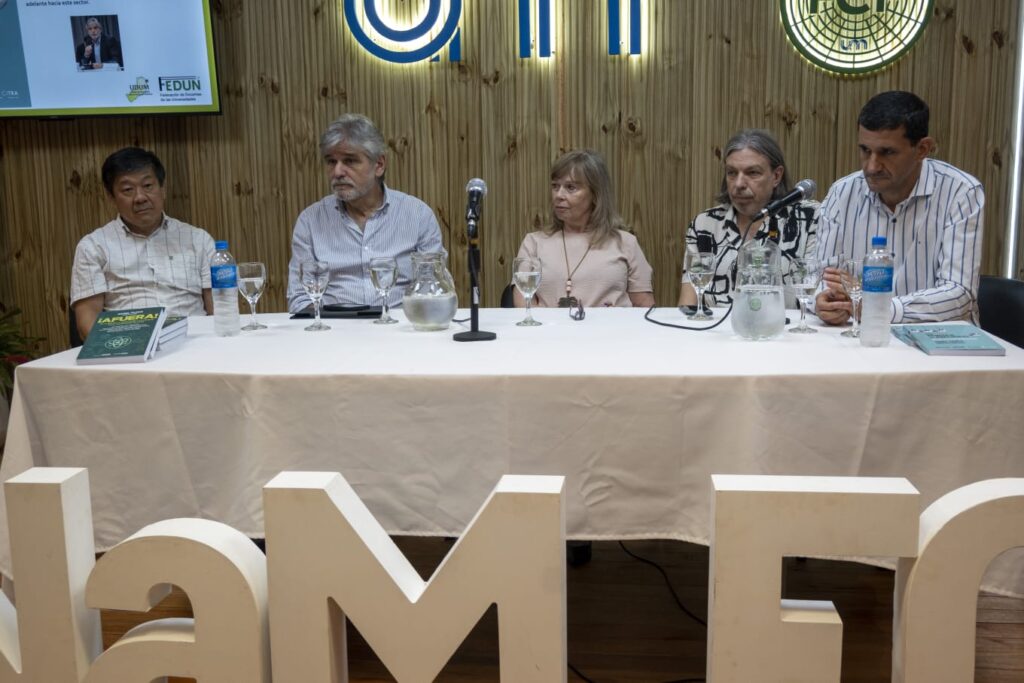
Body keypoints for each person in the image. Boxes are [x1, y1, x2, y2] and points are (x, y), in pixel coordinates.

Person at [815, 91, 984, 325]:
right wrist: (825, 302)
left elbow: (959, 294)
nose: (872, 166)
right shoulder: (842, 193)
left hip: (939, 347)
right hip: (859, 341)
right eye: (865, 150)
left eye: (887, 152)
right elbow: (822, 278)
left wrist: (880, 309)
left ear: (923, 149)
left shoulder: (960, 192)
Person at [287, 113, 445, 313]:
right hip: (334, 333)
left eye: (350, 161)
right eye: (331, 162)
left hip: (400, 331)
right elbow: (299, 299)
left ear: (378, 165)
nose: (337, 172)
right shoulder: (310, 221)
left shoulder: (418, 215)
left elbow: (435, 289)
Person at [70, 147, 215, 340]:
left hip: (196, 347)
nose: (140, 197)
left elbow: (220, 309)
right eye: (128, 190)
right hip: (130, 351)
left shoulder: (198, 240)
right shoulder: (93, 247)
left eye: (148, 186)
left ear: (162, 189)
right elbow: (87, 322)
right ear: (111, 197)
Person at [678, 129, 817, 308]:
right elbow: (688, 304)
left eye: (752, 173)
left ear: (776, 176)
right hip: (717, 335)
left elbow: (817, 298)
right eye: (732, 173)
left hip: (786, 333)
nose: (739, 184)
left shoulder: (808, 220)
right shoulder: (704, 225)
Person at [514, 150, 654, 308]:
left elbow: (644, 305)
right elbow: (523, 303)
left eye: (570, 187)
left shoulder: (625, 242)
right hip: (551, 331)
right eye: (555, 186)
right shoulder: (534, 242)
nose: (558, 195)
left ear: (595, 194)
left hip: (611, 331)